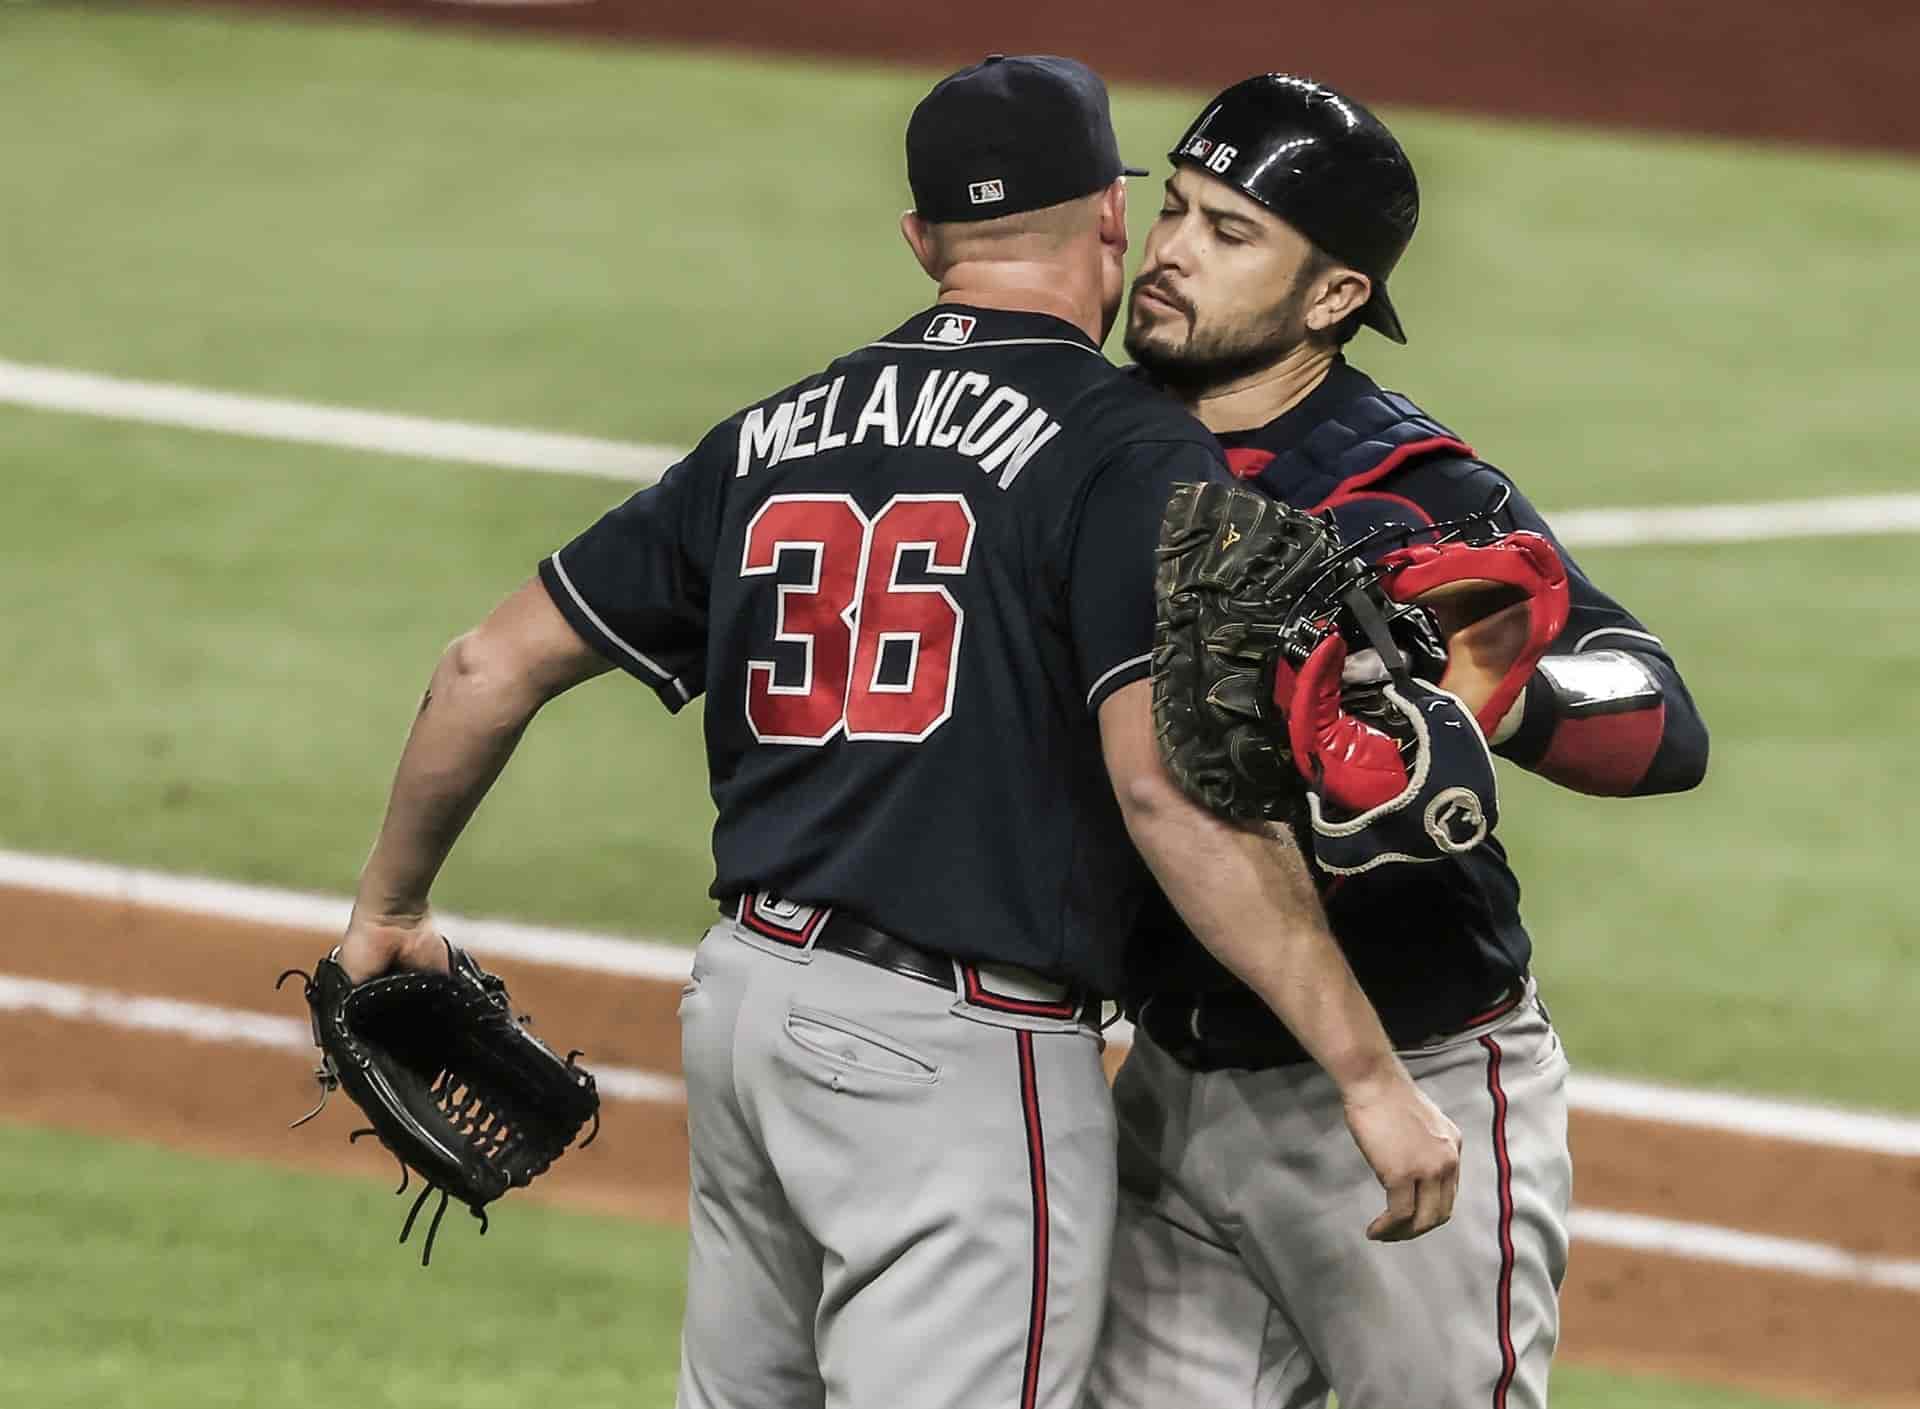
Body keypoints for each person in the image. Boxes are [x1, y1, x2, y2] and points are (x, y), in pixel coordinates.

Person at [333, 57, 1461, 1409]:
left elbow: (485, 662)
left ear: (923, 240)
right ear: (1111, 213)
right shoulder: (1124, 449)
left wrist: (387, 907)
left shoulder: (769, 436)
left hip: (746, 1010)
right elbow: (1168, 793)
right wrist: (1367, 1070)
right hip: (955, 1062)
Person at [1089, 74, 1711, 1409]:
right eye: (1177, 211)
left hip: (1412, 1078)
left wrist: (1479, 696)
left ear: (1334, 298)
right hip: (1173, 1078)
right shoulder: (1104, 451)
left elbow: (1660, 716)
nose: (1174, 251)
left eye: (1232, 232)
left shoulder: (1402, 488)